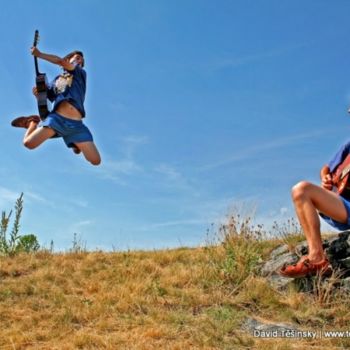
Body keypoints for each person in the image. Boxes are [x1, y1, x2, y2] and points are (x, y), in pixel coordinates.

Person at [11, 47, 101, 166]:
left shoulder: (79, 73)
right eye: (77, 58)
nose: (80, 61)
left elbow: (60, 61)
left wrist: (39, 54)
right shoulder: (55, 81)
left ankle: (75, 144)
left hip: (76, 125)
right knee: (28, 143)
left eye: (82, 61)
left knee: (96, 161)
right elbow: (46, 100)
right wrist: (38, 95)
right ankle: (32, 122)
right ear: (68, 59)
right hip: (56, 120)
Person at [278, 141, 350, 278]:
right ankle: (317, 257)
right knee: (300, 190)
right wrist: (326, 178)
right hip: (343, 205)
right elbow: (326, 168)